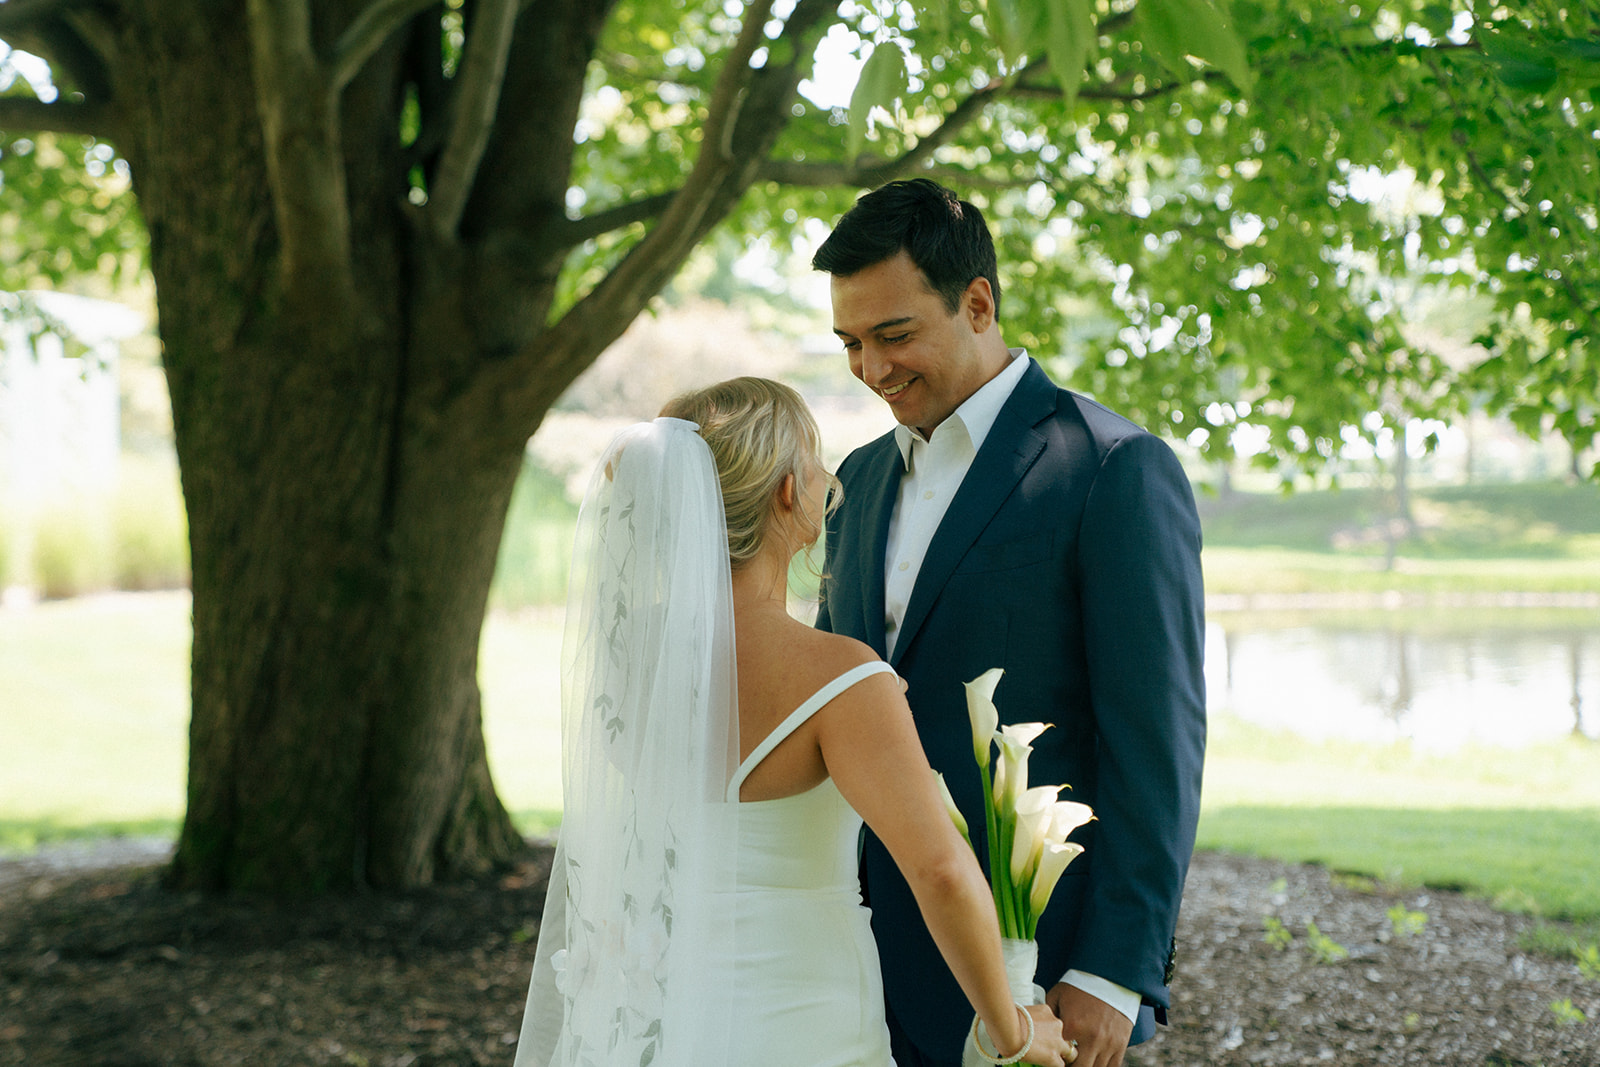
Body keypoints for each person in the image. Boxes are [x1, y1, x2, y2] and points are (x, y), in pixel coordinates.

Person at [514, 377, 1077, 1067]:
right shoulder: (839, 674)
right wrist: (1011, 1031)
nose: (829, 478)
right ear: (788, 491)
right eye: (814, 462)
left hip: (661, 1019)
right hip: (805, 1022)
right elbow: (940, 870)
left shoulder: (634, 663)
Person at [811, 179, 1207, 1067]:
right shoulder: (858, 480)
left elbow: (1157, 740)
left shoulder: (1111, 468)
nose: (872, 368)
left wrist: (1115, 969)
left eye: (895, 334)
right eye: (851, 344)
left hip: (1040, 974)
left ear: (979, 302)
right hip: (857, 964)